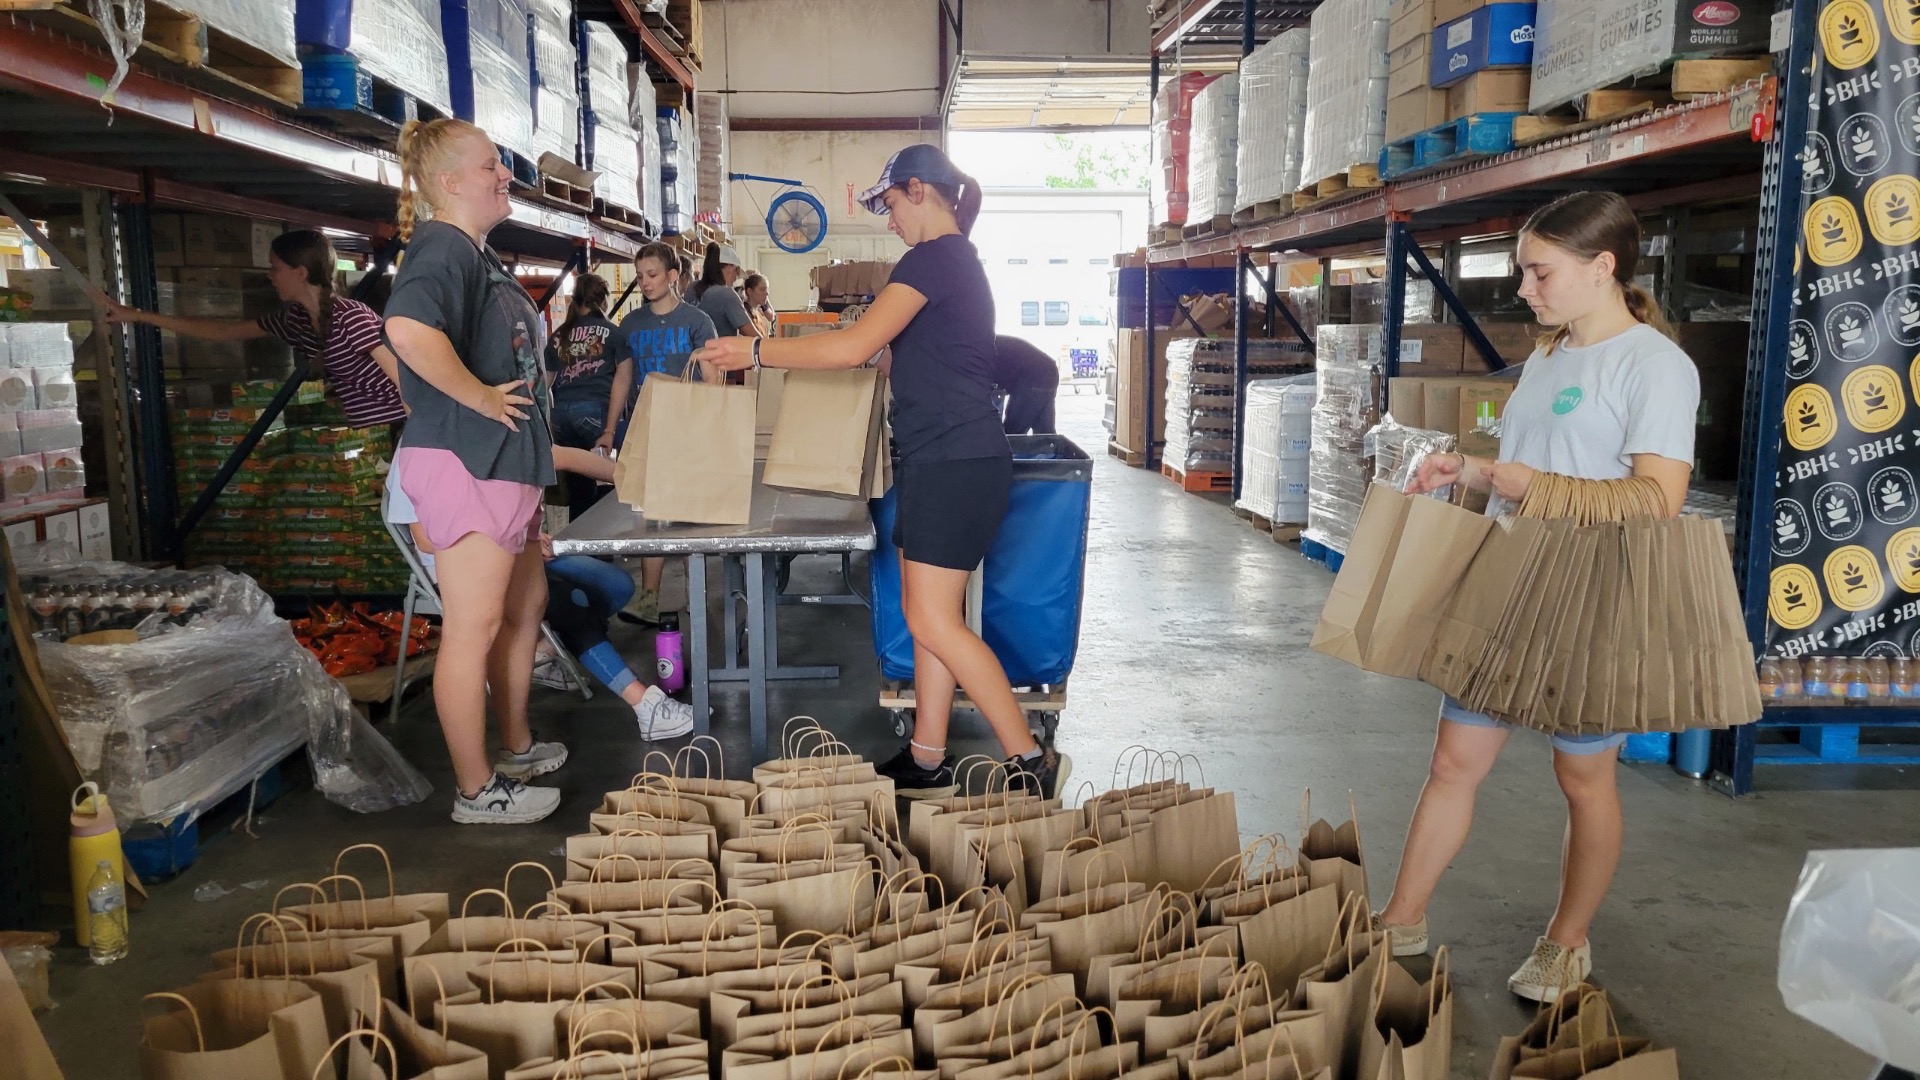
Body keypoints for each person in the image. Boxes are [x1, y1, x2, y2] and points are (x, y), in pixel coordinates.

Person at [1372, 191, 1699, 1002]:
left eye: (1538, 271)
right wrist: (1471, 470)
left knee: (1582, 776)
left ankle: (1567, 941)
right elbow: (1526, 469)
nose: (1523, 287)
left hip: (1596, 587)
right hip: (1513, 573)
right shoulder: (1552, 356)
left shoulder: (1657, 367)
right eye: (1524, 269)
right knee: (1453, 759)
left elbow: (1656, 500)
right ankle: (1398, 921)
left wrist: (1535, 486)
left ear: (1602, 268)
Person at [694, 143, 1068, 799]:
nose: (889, 219)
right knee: (930, 613)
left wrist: (756, 349)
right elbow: (892, 357)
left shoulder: (935, 258)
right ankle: (927, 757)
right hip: (943, 459)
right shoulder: (954, 264)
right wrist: (870, 347)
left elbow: (856, 347)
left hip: (955, 461)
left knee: (932, 621)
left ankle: (1027, 758)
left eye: (891, 204)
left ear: (920, 190)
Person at [380, 116, 563, 826]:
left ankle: (513, 745)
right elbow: (407, 333)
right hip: (467, 465)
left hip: (500, 466)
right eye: (491, 165)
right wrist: (480, 398)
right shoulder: (441, 247)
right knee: (474, 625)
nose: (503, 175)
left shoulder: (476, 254)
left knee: (522, 611)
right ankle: (475, 790)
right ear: (450, 183)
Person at [106, 230, 408, 441]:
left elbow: (406, 380)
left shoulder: (351, 318)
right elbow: (223, 332)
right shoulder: (296, 320)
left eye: (275, 268)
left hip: (400, 432)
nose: (270, 276)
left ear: (300, 272)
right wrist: (139, 316)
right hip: (369, 439)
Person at [611, 242, 717, 625]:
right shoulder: (631, 324)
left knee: (690, 515)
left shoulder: (696, 321)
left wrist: (694, 407)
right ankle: (648, 599)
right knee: (652, 515)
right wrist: (610, 429)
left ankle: (698, 599)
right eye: (639, 276)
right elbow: (624, 376)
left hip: (688, 430)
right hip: (649, 428)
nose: (645, 283)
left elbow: (712, 378)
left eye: (652, 275)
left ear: (673, 277)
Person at [545, 273, 629, 516]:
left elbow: (543, 384)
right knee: (613, 482)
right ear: (603, 301)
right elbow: (621, 382)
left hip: (561, 417)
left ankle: (578, 540)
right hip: (594, 413)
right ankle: (603, 546)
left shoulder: (558, 337)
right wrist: (610, 430)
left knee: (578, 490)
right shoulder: (614, 333)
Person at [689, 242, 762, 338]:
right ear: (729, 268)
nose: (736, 277)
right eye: (737, 271)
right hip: (719, 351)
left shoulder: (691, 289)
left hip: (694, 351)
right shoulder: (727, 295)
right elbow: (751, 333)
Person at [992, 335, 1060, 436]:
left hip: (1034, 376)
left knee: (1013, 433)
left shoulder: (976, 353)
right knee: (1045, 435)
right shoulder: (984, 344)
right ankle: (1048, 450)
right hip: (1049, 371)